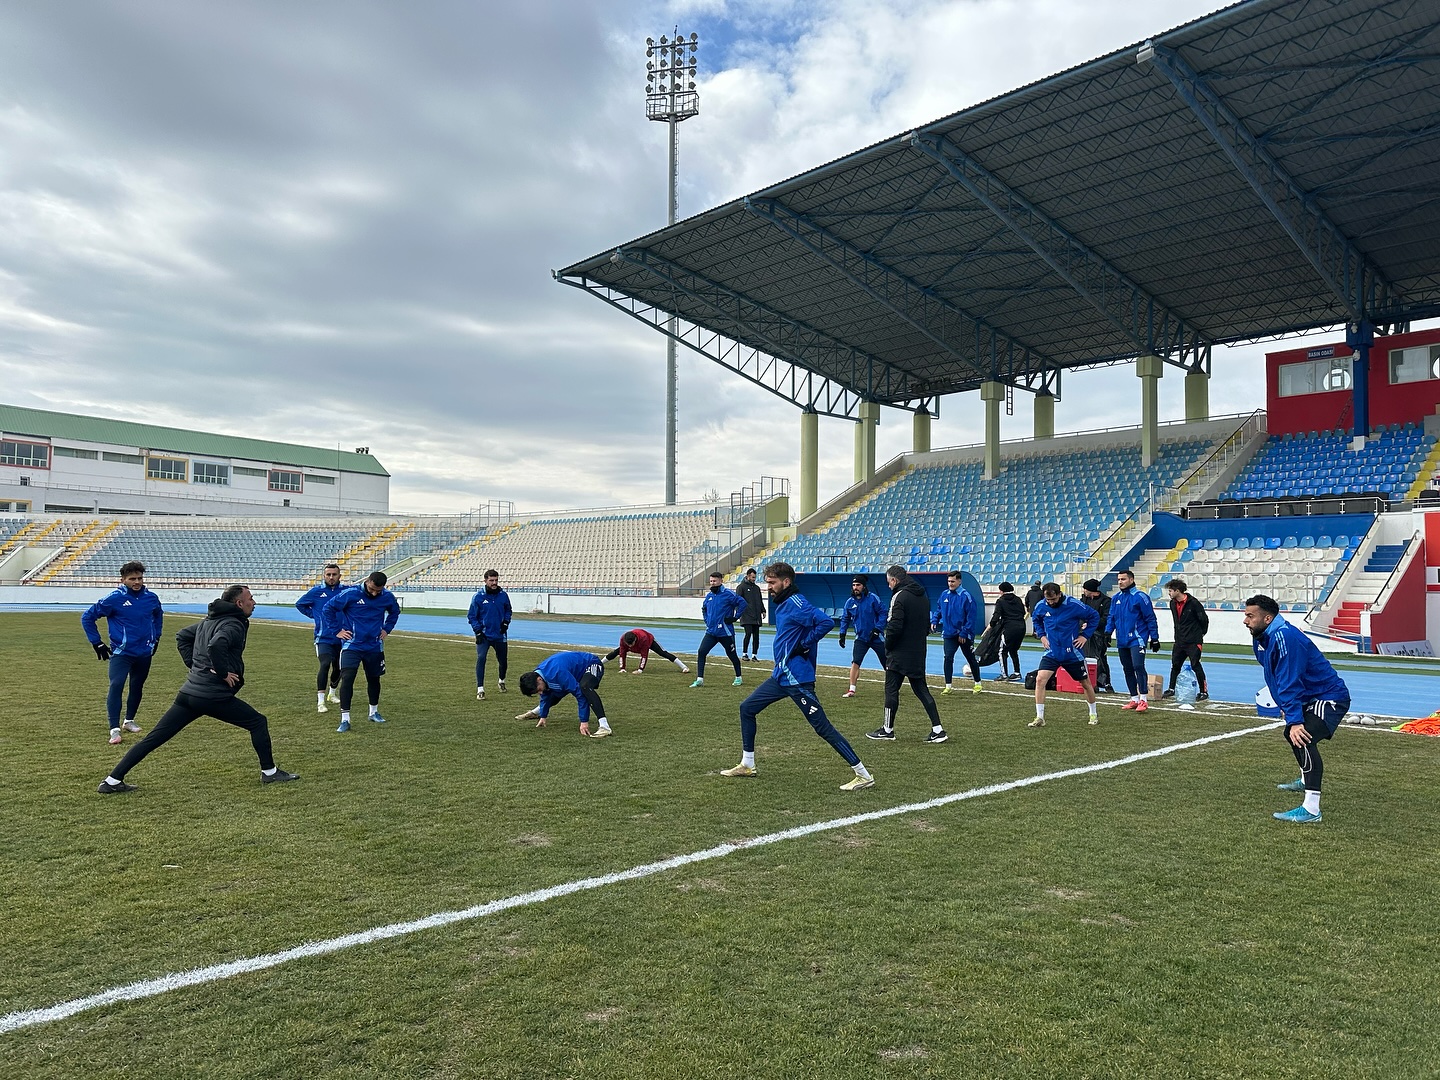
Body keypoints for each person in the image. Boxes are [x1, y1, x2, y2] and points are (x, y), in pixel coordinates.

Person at [96, 585, 298, 793]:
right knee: (258, 722)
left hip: (189, 693)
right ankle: (269, 772)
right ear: (239, 603)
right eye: (251, 599)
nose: (254, 603)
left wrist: (194, 665)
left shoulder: (210, 620)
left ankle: (111, 781)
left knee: (154, 738)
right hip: (212, 696)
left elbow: (182, 635)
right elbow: (216, 645)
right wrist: (222, 673)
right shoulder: (232, 624)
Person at [720, 562, 874, 790]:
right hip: (781, 676)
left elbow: (824, 622)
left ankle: (863, 774)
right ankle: (748, 764)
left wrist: (804, 644)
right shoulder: (783, 603)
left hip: (798, 679)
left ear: (786, 582)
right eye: (768, 582)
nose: (769, 587)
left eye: (772, 583)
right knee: (747, 708)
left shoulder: (796, 603)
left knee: (822, 727)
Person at [1244, 594, 1350, 823]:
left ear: (1268, 618)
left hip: (1329, 697)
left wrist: (1295, 719)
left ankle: (1312, 809)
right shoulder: (1261, 637)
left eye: (1250, 616)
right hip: (1309, 697)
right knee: (1291, 735)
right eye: (1246, 615)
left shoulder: (1285, 637)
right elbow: (1275, 675)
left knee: (1304, 737)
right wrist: (1288, 710)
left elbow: (1289, 679)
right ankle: (1305, 779)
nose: (1246, 621)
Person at [82, 560, 165, 746]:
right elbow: (87, 617)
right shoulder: (114, 599)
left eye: (140, 578)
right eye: (132, 579)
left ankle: (129, 721)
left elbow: (158, 615)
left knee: (137, 686)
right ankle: (114, 729)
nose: (137, 582)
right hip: (122, 653)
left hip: (144, 652)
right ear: (122, 580)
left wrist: (156, 637)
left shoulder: (151, 598)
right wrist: (97, 643)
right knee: (117, 684)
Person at [868, 566, 947, 743]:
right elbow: (926, 625)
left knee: (891, 689)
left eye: (889, 582)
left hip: (899, 652)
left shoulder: (899, 597)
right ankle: (938, 729)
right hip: (918, 651)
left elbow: (895, 626)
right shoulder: (923, 596)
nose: (889, 586)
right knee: (921, 689)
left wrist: (887, 646)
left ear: (894, 580)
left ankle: (887, 729)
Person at [324, 570, 400, 732]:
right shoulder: (350, 594)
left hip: (374, 646)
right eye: (372, 589)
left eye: (377, 591)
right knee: (348, 678)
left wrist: (387, 629)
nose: (374, 593)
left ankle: (373, 712)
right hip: (352, 646)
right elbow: (328, 609)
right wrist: (337, 631)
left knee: (374, 680)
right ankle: (345, 719)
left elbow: (395, 612)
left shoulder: (386, 596)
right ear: (367, 581)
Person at [1028, 582, 1099, 728]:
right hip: (1052, 651)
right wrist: (1041, 635)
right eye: (1048, 600)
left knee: (1085, 683)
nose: (1051, 603)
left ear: (1059, 594)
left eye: (1053, 599)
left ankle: (1093, 714)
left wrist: (1085, 636)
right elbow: (1036, 620)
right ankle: (1039, 717)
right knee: (1040, 679)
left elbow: (1094, 616)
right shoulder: (1041, 606)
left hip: (1072, 652)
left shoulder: (1073, 604)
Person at [515, 651, 612, 738]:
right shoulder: (540, 675)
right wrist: (543, 716)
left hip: (591, 663)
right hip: (572, 673)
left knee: (585, 687)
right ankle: (536, 713)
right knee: (554, 692)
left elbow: (579, 695)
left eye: (538, 689)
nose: (540, 693)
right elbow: (545, 696)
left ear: (539, 679)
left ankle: (604, 726)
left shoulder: (557, 673)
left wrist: (584, 721)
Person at [295, 562, 346, 713]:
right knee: (325, 664)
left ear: (339, 576)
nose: (331, 577)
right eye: (328, 575)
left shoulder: (346, 591)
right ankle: (321, 702)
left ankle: (332, 693)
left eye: (334, 575)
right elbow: (300, 605)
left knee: (339, 667)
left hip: (343, 637)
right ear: (324, 576)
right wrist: (316, 616)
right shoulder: (316, 592)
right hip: (323, 637)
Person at [1106, 569, 1159, 712]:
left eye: (1123, 579)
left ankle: (1143, 699)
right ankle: (1134, 698)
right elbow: (1112, 617)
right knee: (1127, 668)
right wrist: (1107, 633)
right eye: (1118, 580)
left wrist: (1154, 638)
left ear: (1131, 579)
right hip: (1122, 640)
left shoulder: (1140, 597)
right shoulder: (1116, 598)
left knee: (1138, 666)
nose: (1120, 582)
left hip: (1137, 639)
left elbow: (1150, 618)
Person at [691, 571, 745, 688]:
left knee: (732, 655)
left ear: (721, 581)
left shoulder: (728, 594)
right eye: (711, 581)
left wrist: (735, 617)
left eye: (715, 581)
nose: (712, 583)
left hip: (725, 632)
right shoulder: (709, 596)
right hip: (711, 632)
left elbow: (743, 603)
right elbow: (704, 609)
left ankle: (738, 677)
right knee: (701, 652)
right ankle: (700, 679)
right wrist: (707, 621)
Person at [932, 571, 983, 695]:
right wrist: (934, 620)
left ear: (959, 581)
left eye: (953, 581)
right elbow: (939, 609)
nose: (950, 584)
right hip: (949, 634)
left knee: (971, 658)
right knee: (948, 658)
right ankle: (948, 685)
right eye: (949, 581)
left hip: (964, 635)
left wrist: (964, 633)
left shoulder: (967, 597)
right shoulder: (944, 595)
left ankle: (977, 684)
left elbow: (971, 617)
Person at [839, 574, 887, 698]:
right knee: (855, 662)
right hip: (861, 638)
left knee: (887, 663)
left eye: (858, 585)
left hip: (876, 637)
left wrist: (877, 629)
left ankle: (892, 686)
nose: (855, 587)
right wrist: (842, 634)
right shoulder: (849, 602)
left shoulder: (873, 599)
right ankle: (851, 689)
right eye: (854, 585)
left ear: (864, 586)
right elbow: (845, 618)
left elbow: (883, 614)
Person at [467, 569, 512, 700]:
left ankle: (501, 680)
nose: (494, 583)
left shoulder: (503, 595)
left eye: (496, 580)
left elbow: (508, 610)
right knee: (481, 658)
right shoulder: (478, 596)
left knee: (503, 661)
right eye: (491, 580)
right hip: (484, 635)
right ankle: (480, 689)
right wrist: (478, 631)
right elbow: (471, 616)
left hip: (500, 635)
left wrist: (505, 623)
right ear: (485, 580)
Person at [1163, 578, 1209, 700]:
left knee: (1195, 665)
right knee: (1175, 665)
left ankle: (1203, 691)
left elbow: (1204, 620)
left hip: (1193, 641)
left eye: (1171, 591)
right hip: (1179, 640)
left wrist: (1199, 635)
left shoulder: (1194, 603)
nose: (1169, 593)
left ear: (1178, 591)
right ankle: (1171, 688)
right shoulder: (1172, 603)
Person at [602, 628, 689, 675]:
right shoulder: (623, 639)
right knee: (615, 652)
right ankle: (600, 663)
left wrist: (640, 670)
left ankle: (684, 667)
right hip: (635, 642)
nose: (630, 646)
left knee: (663, 653)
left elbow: (644, 656)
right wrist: (622, 668)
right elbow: (622, 654)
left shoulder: (644, 638)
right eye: (628, 645)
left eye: (631, 644)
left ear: (635, 639)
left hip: (649, 641)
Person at [1079, 578, 1114, 694]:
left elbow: (1106, 618)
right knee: (1085, 658)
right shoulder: (1083, 600)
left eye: (1085, 589)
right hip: (1084, 634)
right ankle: (1091, 682)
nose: (1084, 591)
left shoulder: (1106, 601)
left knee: (1100, 658)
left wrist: (1091, 625)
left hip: (1100, 635)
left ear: (1091, 590)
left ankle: (1106, 682)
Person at [990, 582, 1027, 682]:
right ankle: (1017, 673)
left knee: (1002, 651)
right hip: (1021, 627)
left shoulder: (1001, 601)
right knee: (1014, 650)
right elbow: (1023, 612)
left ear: (1002, 591)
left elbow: (996, 615)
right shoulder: (1018, 599)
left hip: (1009, 628)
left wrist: (992, 625)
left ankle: (1004, 674)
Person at [736, 567, 766, 661]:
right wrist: (739, 612)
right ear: (748, 576)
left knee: (756, 637)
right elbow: (737, 601)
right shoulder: (741, 587)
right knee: (748, 634)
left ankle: (754, 655)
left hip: (756, 616)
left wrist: (763, 610)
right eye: (752, 577)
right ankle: (744, 654)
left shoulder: (756, 588)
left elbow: (759, 601)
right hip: (746, 615)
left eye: (754, 577)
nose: (754, 579)